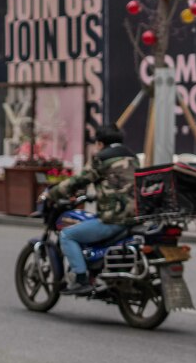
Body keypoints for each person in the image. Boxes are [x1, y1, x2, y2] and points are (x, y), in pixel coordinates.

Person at [45, 123, 138, 295]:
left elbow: (78, 181)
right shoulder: (133, 157)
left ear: (101, 143)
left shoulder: (102, 158)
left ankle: (81, 278)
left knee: (67, 235)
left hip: (115, 219)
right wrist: (97, 196)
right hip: (136, 217)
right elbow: (120, 187)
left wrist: (52, 194)